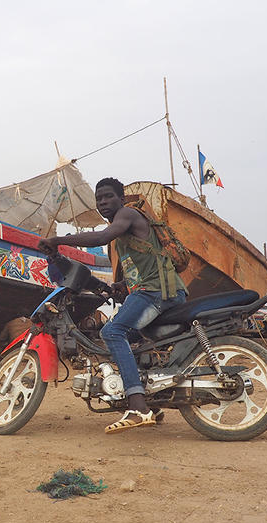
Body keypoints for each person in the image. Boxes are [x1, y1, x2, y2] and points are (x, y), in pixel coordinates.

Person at [38, 177, 187, 434]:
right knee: (129, 337)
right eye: (99, 199)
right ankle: (151, 399)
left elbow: (101, 236)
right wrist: (119, 285)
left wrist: (58, 240)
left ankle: (138, 407)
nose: (103, 202)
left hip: (156, 292)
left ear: (121, 198)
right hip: (157, 290)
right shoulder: (125, 232)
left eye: (108, 196)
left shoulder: (127, 215)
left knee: (111, 331)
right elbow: (142, 266)